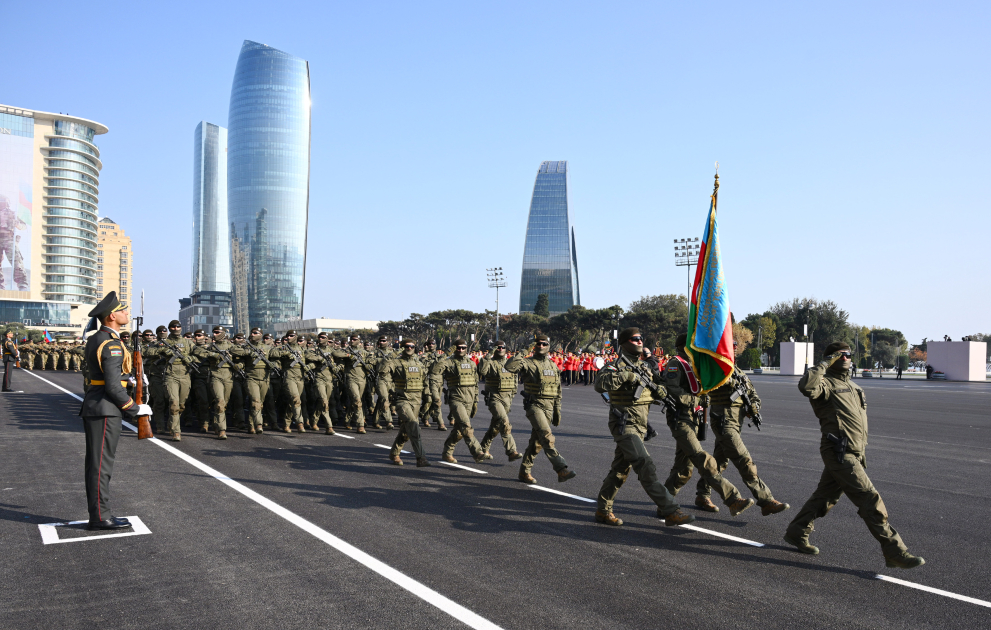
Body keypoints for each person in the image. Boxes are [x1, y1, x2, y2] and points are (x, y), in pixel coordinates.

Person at [784, 343, 925, 568]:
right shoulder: (825, 384)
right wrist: (824, 363)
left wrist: (861, 451)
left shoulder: (852, 386)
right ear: (832, 358)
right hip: (838, 451)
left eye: (849, 354)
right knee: (870, 499)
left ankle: (797, 531)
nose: (847, 358)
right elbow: (806, 386)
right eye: (842, 355)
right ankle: (894, 550)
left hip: (854, 452)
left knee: (825, 497)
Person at [593, 328, 695, 527]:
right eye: (635, 339)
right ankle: (671, 510)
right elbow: (600, 384)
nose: (640, 341)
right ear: (623, 343)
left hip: (640, 425)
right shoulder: (616, 366)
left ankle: (603, 510)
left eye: (641, 338)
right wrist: (627, 377)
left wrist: (660, 390)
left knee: (620, 470)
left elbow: (661, 387)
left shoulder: (645, 367)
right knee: (645, 464)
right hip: (624, 424)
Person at [78, 292, 152, 530]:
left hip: (99, 405)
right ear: (112, 316)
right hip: (105, 408)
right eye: (123, 310)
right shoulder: (111, 343)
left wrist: (127, 380)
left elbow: (105, 377)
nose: (126, 314)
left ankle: (101, 513)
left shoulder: (98, 338)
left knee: (98, 464)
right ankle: (100, 516)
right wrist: (135, 409)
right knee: (101, 466)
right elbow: (110, 386)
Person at [662, 333, 755, 516]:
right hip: (680, 419)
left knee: (684, 469)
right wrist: (697, 401)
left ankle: (664, 502)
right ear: (684, 346)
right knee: (702, 459)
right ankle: (732, 498)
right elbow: (672, 391)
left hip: (693, 419)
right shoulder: (675, 364)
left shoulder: (696, 366)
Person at [695, 343, 789, 516]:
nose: (734, 348)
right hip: (723, 420)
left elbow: (753, 394)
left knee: (719, 462)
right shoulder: (714, 368)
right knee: (744, 460)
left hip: (736, 422)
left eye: (735, 346)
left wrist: (754, 406)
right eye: (731, 345)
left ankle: (702, 494)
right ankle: (766, 500)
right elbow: (706, 384)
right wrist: (728, 381)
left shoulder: (739, 371)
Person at [505, 334, 576, 484]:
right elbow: (509, 366)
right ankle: (561, 468)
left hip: (549, 407)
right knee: (546, 436)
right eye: (538, 344)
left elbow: (558, 390)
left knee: (537, 442)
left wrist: (557, 410)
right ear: (534, 346)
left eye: (544, 344)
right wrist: (525, 350)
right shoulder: (527, 362)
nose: (541, 346)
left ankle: (524, 472)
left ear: (548, 346)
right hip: (534, 405)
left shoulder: (552, 365)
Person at [432, 339, 487, 463]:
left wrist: (475, 401)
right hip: (456, 399)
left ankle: (447, 452)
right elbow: (435, 370)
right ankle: (477, 452)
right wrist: (446, 354)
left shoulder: (472, 364)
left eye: (463, 347)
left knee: (459, 430)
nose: (461, 350)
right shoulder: (449, 362)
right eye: (458, 348)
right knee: (466, 426)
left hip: (469, 399)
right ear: (454, 348)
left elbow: (476, 384)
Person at [385, 340, 431, 467]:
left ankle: (394, 453)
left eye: (412, 346)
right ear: (402, 347)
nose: (409, 348)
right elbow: (382, 370)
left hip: (416, 400)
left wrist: (428, 396)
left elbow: (425, 380)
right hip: (402, 400)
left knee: (406, 431)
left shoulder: (418, 363)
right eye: (406, 346)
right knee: (413, 425)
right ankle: (421, 457)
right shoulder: (396, 362)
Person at [477, 341, 522, 462]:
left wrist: (512, 395)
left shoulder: (510, 364)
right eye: (498, 347)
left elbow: (515, 381)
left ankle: (483, 448)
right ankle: (511, 451)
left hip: (507, 399)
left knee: (495, 426)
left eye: (503, 347)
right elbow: (482, 371)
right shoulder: (490, 362)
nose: (500, 349)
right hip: (495, 398)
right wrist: (488, 354)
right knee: (504, 422)